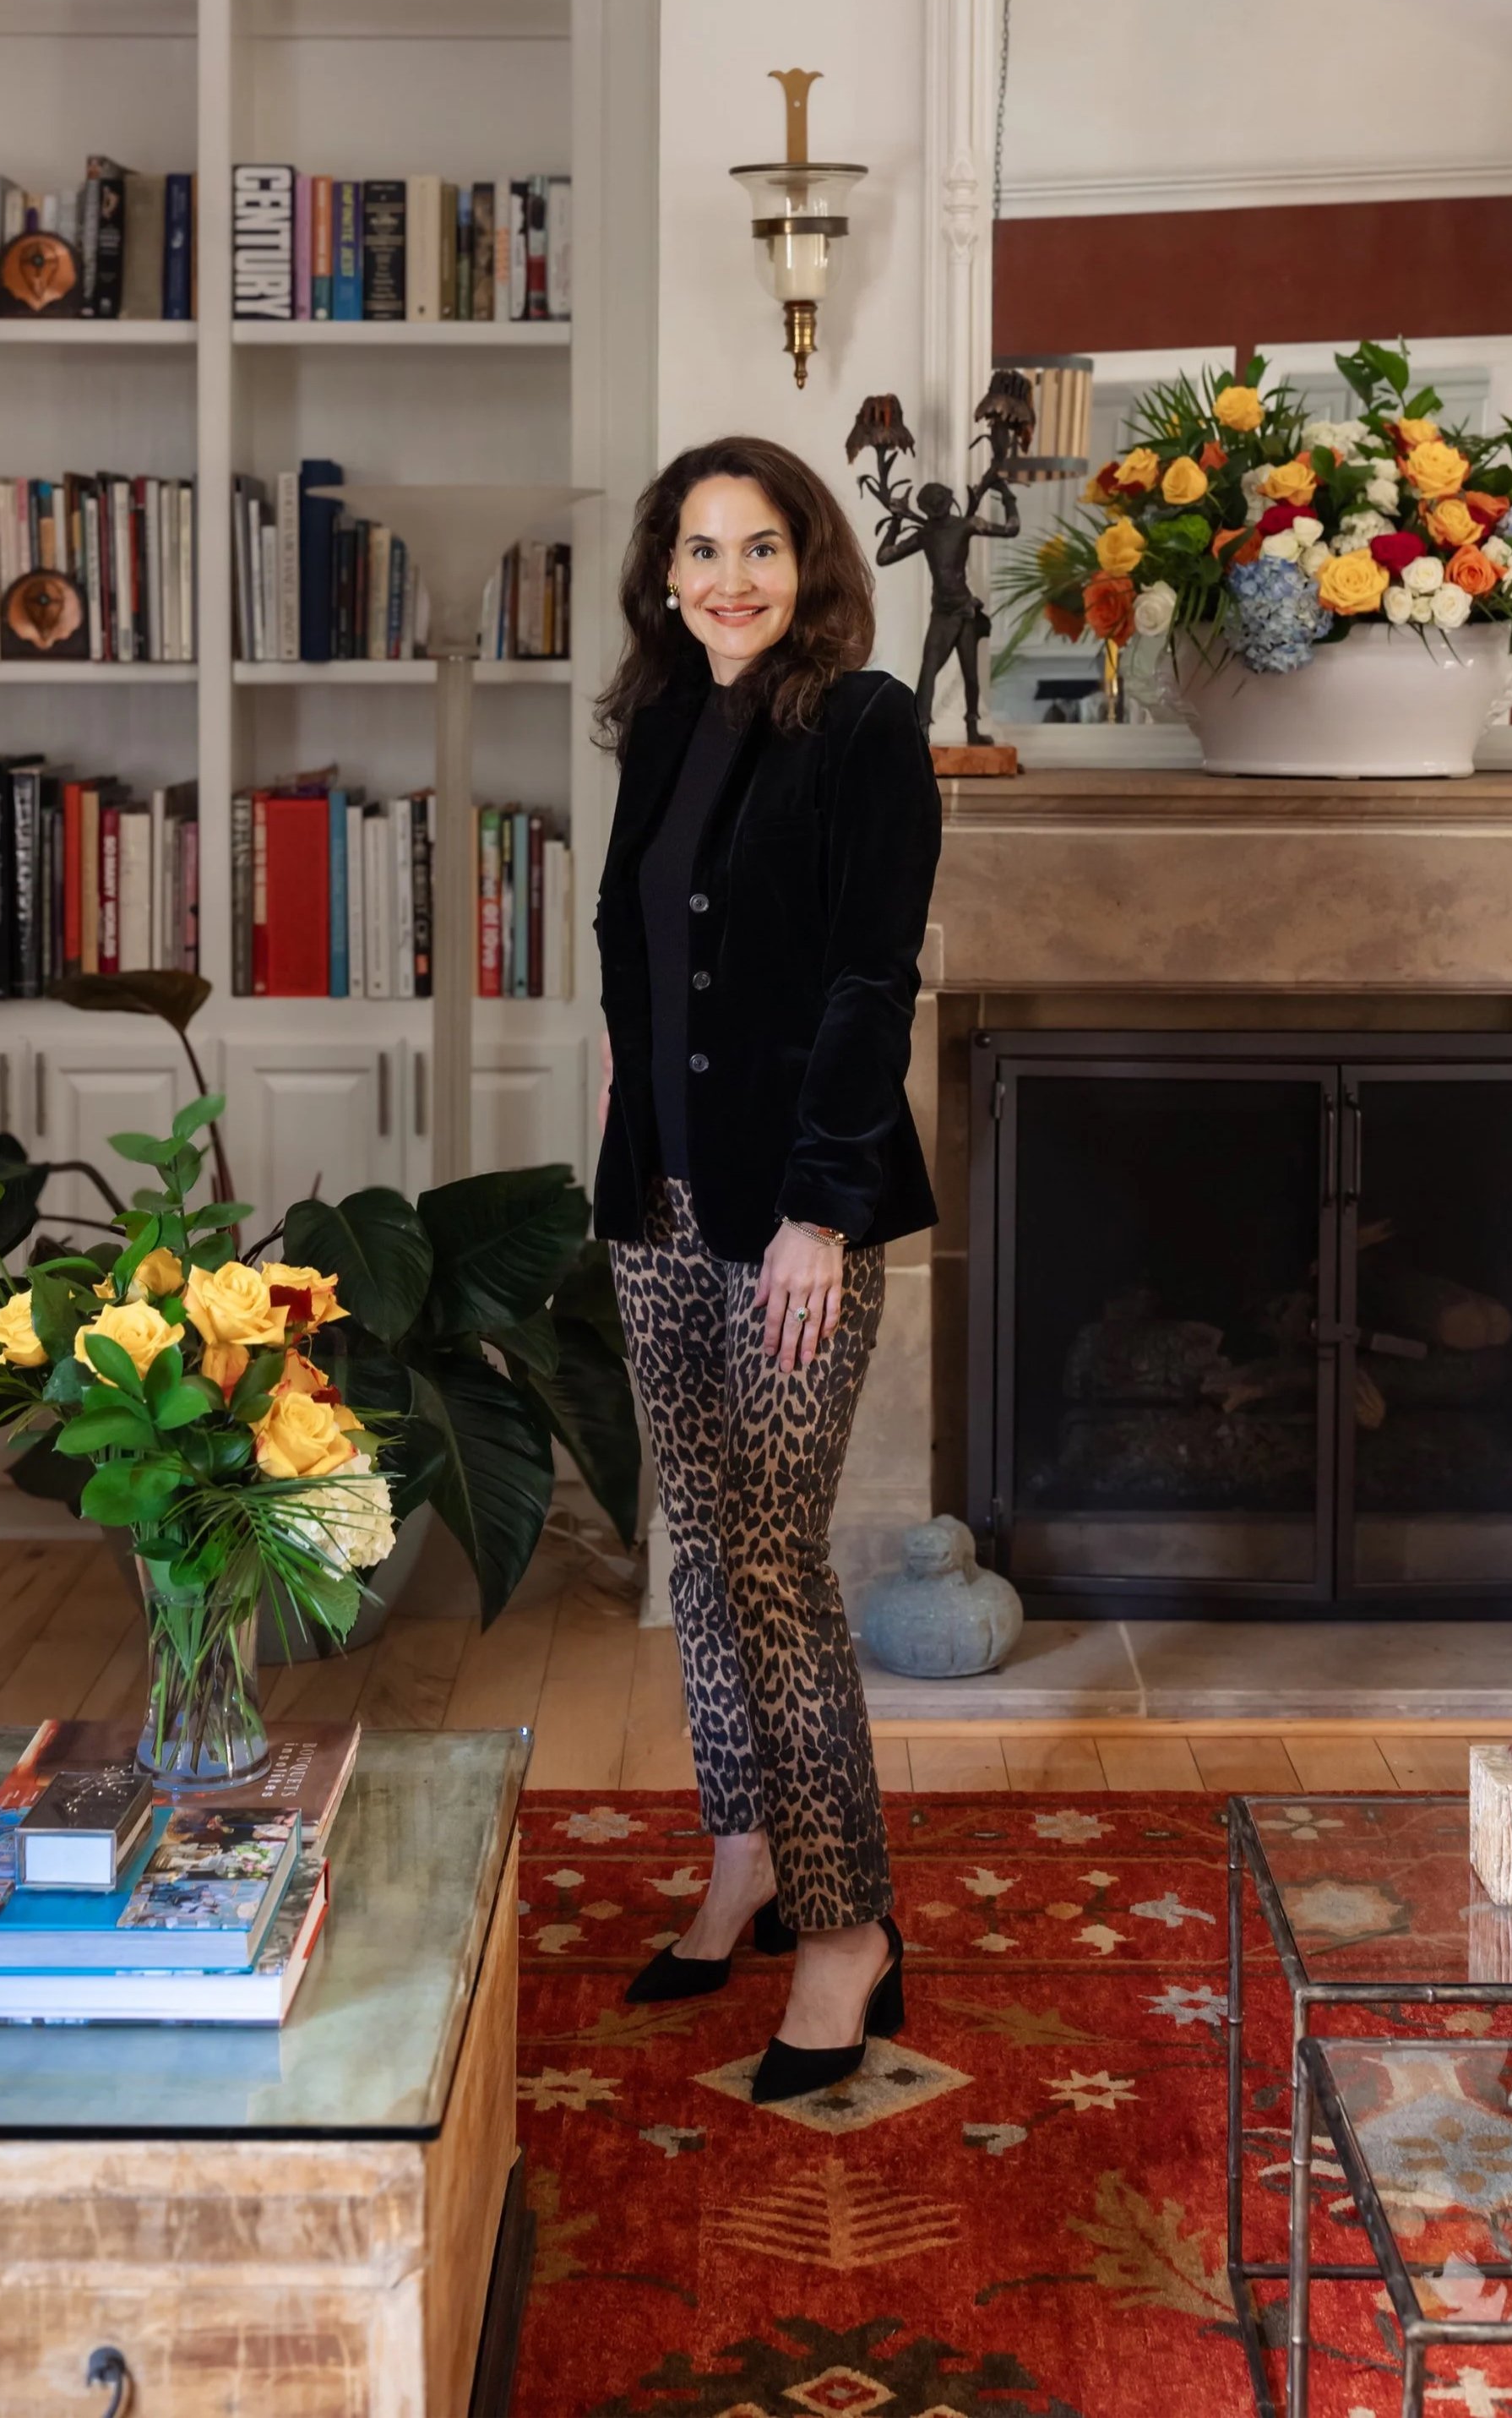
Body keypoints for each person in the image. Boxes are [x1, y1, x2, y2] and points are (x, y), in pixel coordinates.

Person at [591, 434, 940, 2101]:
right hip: (652, 1197)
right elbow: (637, 951)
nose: (730, 578)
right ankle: (737, 1858)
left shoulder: (862, 724)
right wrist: (620, 1099)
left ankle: (846, 1924)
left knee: (774, 1557)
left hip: (793, 1209)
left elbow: (871, 979)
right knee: (701, 1547)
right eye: (702, 548)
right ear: (664, 572)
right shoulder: (659, 723)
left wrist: (819, 1208)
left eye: (761, 548)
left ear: (809, 568)